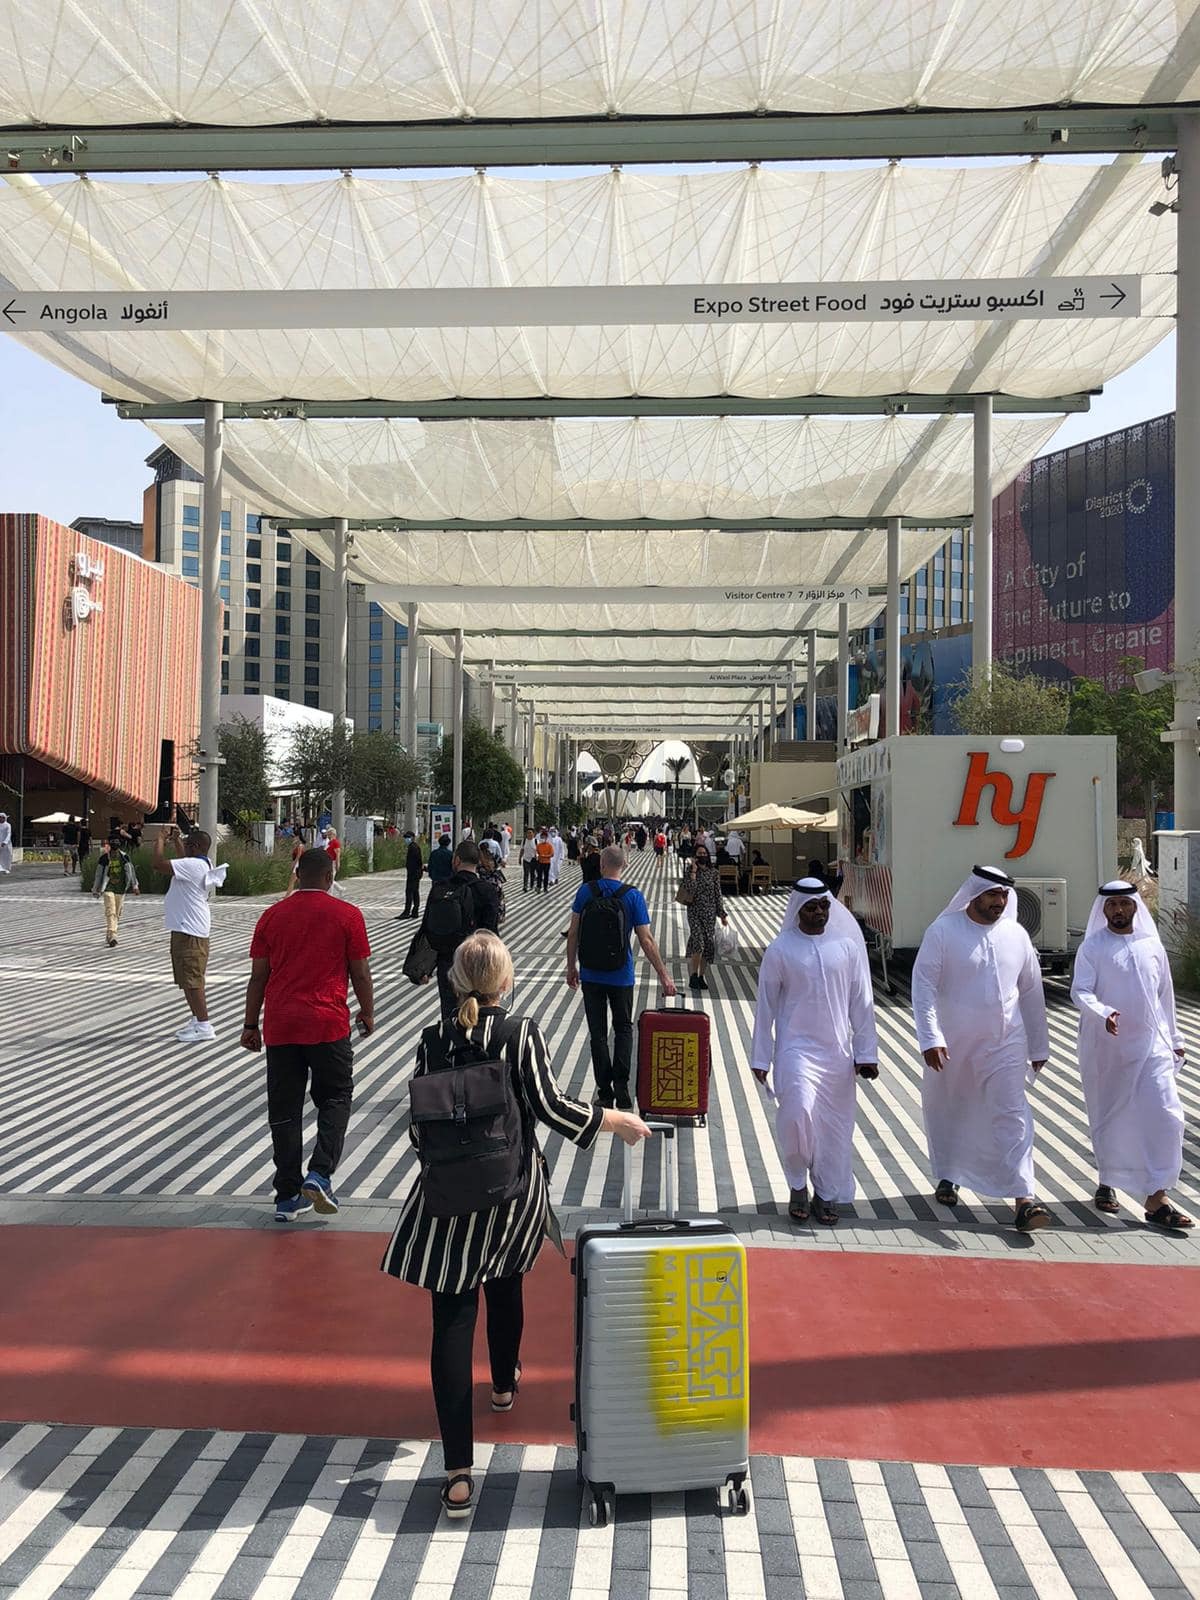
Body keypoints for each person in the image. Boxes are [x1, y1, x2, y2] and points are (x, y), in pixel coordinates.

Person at [382, 930, 651, 1519]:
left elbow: (419, 1125)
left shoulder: (432, 1040)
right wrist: (615, 1120)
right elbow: (551, 1107)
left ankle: (457, 1474)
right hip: (512, 1194)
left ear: (454, 981)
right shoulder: (518, 1033)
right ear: (506, 981)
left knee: (451, 1319)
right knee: (506, 1284)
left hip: (447, 1199)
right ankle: (503, 1384)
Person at [911, 865, 1052, 1233]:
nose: (999, 901)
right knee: (955, 1110)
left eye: (1004, 895)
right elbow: (923, 987)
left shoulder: (1016, 935)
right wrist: (930, 1038)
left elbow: (1031, 991)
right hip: (954, 1046)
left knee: (1013, 1113)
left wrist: (1039, 1044)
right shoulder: (943, 931)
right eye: (992, 894)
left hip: (1007, 1044)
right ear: (974, 894)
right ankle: (951, 1173)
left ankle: (1024, 1199)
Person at [242, 847, 374, 1222]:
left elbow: (258, 976)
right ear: (330, 878)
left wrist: (250, 1025)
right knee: (336, 1096)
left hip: (281, 1025)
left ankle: (287, 1196)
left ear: (298, 876)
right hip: (328, 1023)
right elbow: (360, 972)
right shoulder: (347, 915)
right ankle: (319, 1173)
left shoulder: (271, 916)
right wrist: (367, 1011)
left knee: (284, 1109)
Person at [751, 878, 880, 1226]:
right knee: (797, 1116)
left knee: (834, 1129)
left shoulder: (847, 948)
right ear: (798, 909)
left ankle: (825, 1193)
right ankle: (797, 1183)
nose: (820, 912)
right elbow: (765, 1007)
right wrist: (761, 1057)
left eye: (824, 905)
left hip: (837, 1055)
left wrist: (866, 1053)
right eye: (811, 907)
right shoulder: (781, 950)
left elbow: (862, 1003)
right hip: (795, 1052)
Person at [1071, 882, 1192, 1230]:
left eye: (1125, 903)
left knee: (1167, 1114)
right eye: (1112, 905)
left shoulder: (1152, 946)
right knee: (1112, 1117)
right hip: (1106, 1048)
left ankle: (1157, 1196)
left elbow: (1164, 997)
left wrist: (1175, 1038)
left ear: (1135, 906)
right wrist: (1103, 1012)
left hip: (1152, 1047)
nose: (1119, 910)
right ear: (1104, 910)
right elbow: (1080, 991)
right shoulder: (1092, 947)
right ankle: (1108, 1180)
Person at [566, 845, 676, 1108]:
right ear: (624, 865)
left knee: (597, 1034)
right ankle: (622, 1088)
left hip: (591, 974)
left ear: (601, 865)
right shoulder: (632, 896)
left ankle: (604, 1093)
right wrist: (664, 975)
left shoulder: (586, 891)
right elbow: (646, 940)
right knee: (623, 1029)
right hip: (621, 974)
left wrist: (571, 967)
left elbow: (573, 933)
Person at [152, 826, 229, 1043]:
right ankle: (197, 1019)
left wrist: (159, 839)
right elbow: (182, 860)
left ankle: (204, 1025)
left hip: (190, 931)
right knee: (186, 979)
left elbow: (157, 864)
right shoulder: (200, 863)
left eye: (187, 844)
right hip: (186, 928)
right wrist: (177, 841)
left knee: (193, 980)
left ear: (194, 846)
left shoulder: (195, 865)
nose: (184, 847)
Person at [419, 839, 502, 1018]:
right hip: (479, 964)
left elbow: (427, 928)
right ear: (478, 862)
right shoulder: (487, 890)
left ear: (456, 860)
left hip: (448, 964)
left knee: (450, 1015)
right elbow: (491, 932)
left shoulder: (441, 889)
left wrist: (423, 967)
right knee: (481, 1014)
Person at [681, 841, 729, 992]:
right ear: (694, 856)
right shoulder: (690, 871)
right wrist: (694, 872)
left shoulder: (713, 873)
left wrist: (722, 914)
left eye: (704, 854)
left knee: (708, 944)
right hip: (694, 912)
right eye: (699, 854)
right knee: (699, 942)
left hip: (709, 913)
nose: (702, 856)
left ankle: (701, 976)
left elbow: (717, 894)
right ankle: (693, 975)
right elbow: (689, 889)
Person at [92, 833, 140, 947]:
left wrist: (135, 886)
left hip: (121, 888)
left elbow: (131, 872)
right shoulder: (104, 858)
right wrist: (96, 888)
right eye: (112, 841)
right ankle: (113, 935)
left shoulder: (125, 857)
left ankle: (109, 934)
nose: (115, 844)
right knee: (111, 911)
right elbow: (98, 875)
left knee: (117, 913)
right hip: (108, 887)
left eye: (116, 841)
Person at [402, 831, 424, 919]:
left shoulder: (413, 847)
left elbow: (416, 861)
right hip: (416, 872)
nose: (406, 839)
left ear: (412, 837)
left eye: (407, 837)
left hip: (413, 873)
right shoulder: (414, 846)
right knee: (415, 892)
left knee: (409, 892)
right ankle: (415, 911)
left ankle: (407, 911)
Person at [534, 828, 554, 893]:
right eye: (542, 837)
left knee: (546, 876)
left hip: (547, 863)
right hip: (540, 862)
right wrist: (537, 855)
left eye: (544, 837)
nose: (543, 838)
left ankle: (545, 888)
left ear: (546, 838)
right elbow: (536, 852)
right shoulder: (538, 845)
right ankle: (539, 887)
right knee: (539, 876)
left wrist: (545, 856)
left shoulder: (549, 846)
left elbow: (552, 854)